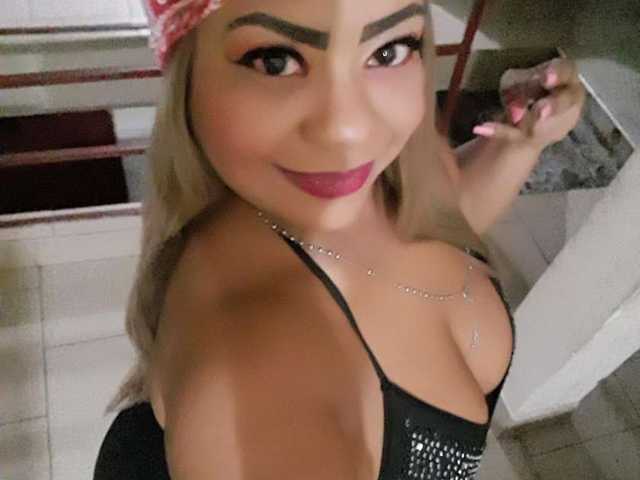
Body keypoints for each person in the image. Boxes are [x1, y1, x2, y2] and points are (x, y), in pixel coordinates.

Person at [93, 0, 586, 479]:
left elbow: (442, 220)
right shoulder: (252, 365)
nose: (348, 129)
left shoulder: (385, 173)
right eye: (275, 61)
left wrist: (529, 141)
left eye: (388, 51)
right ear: (188, 80)